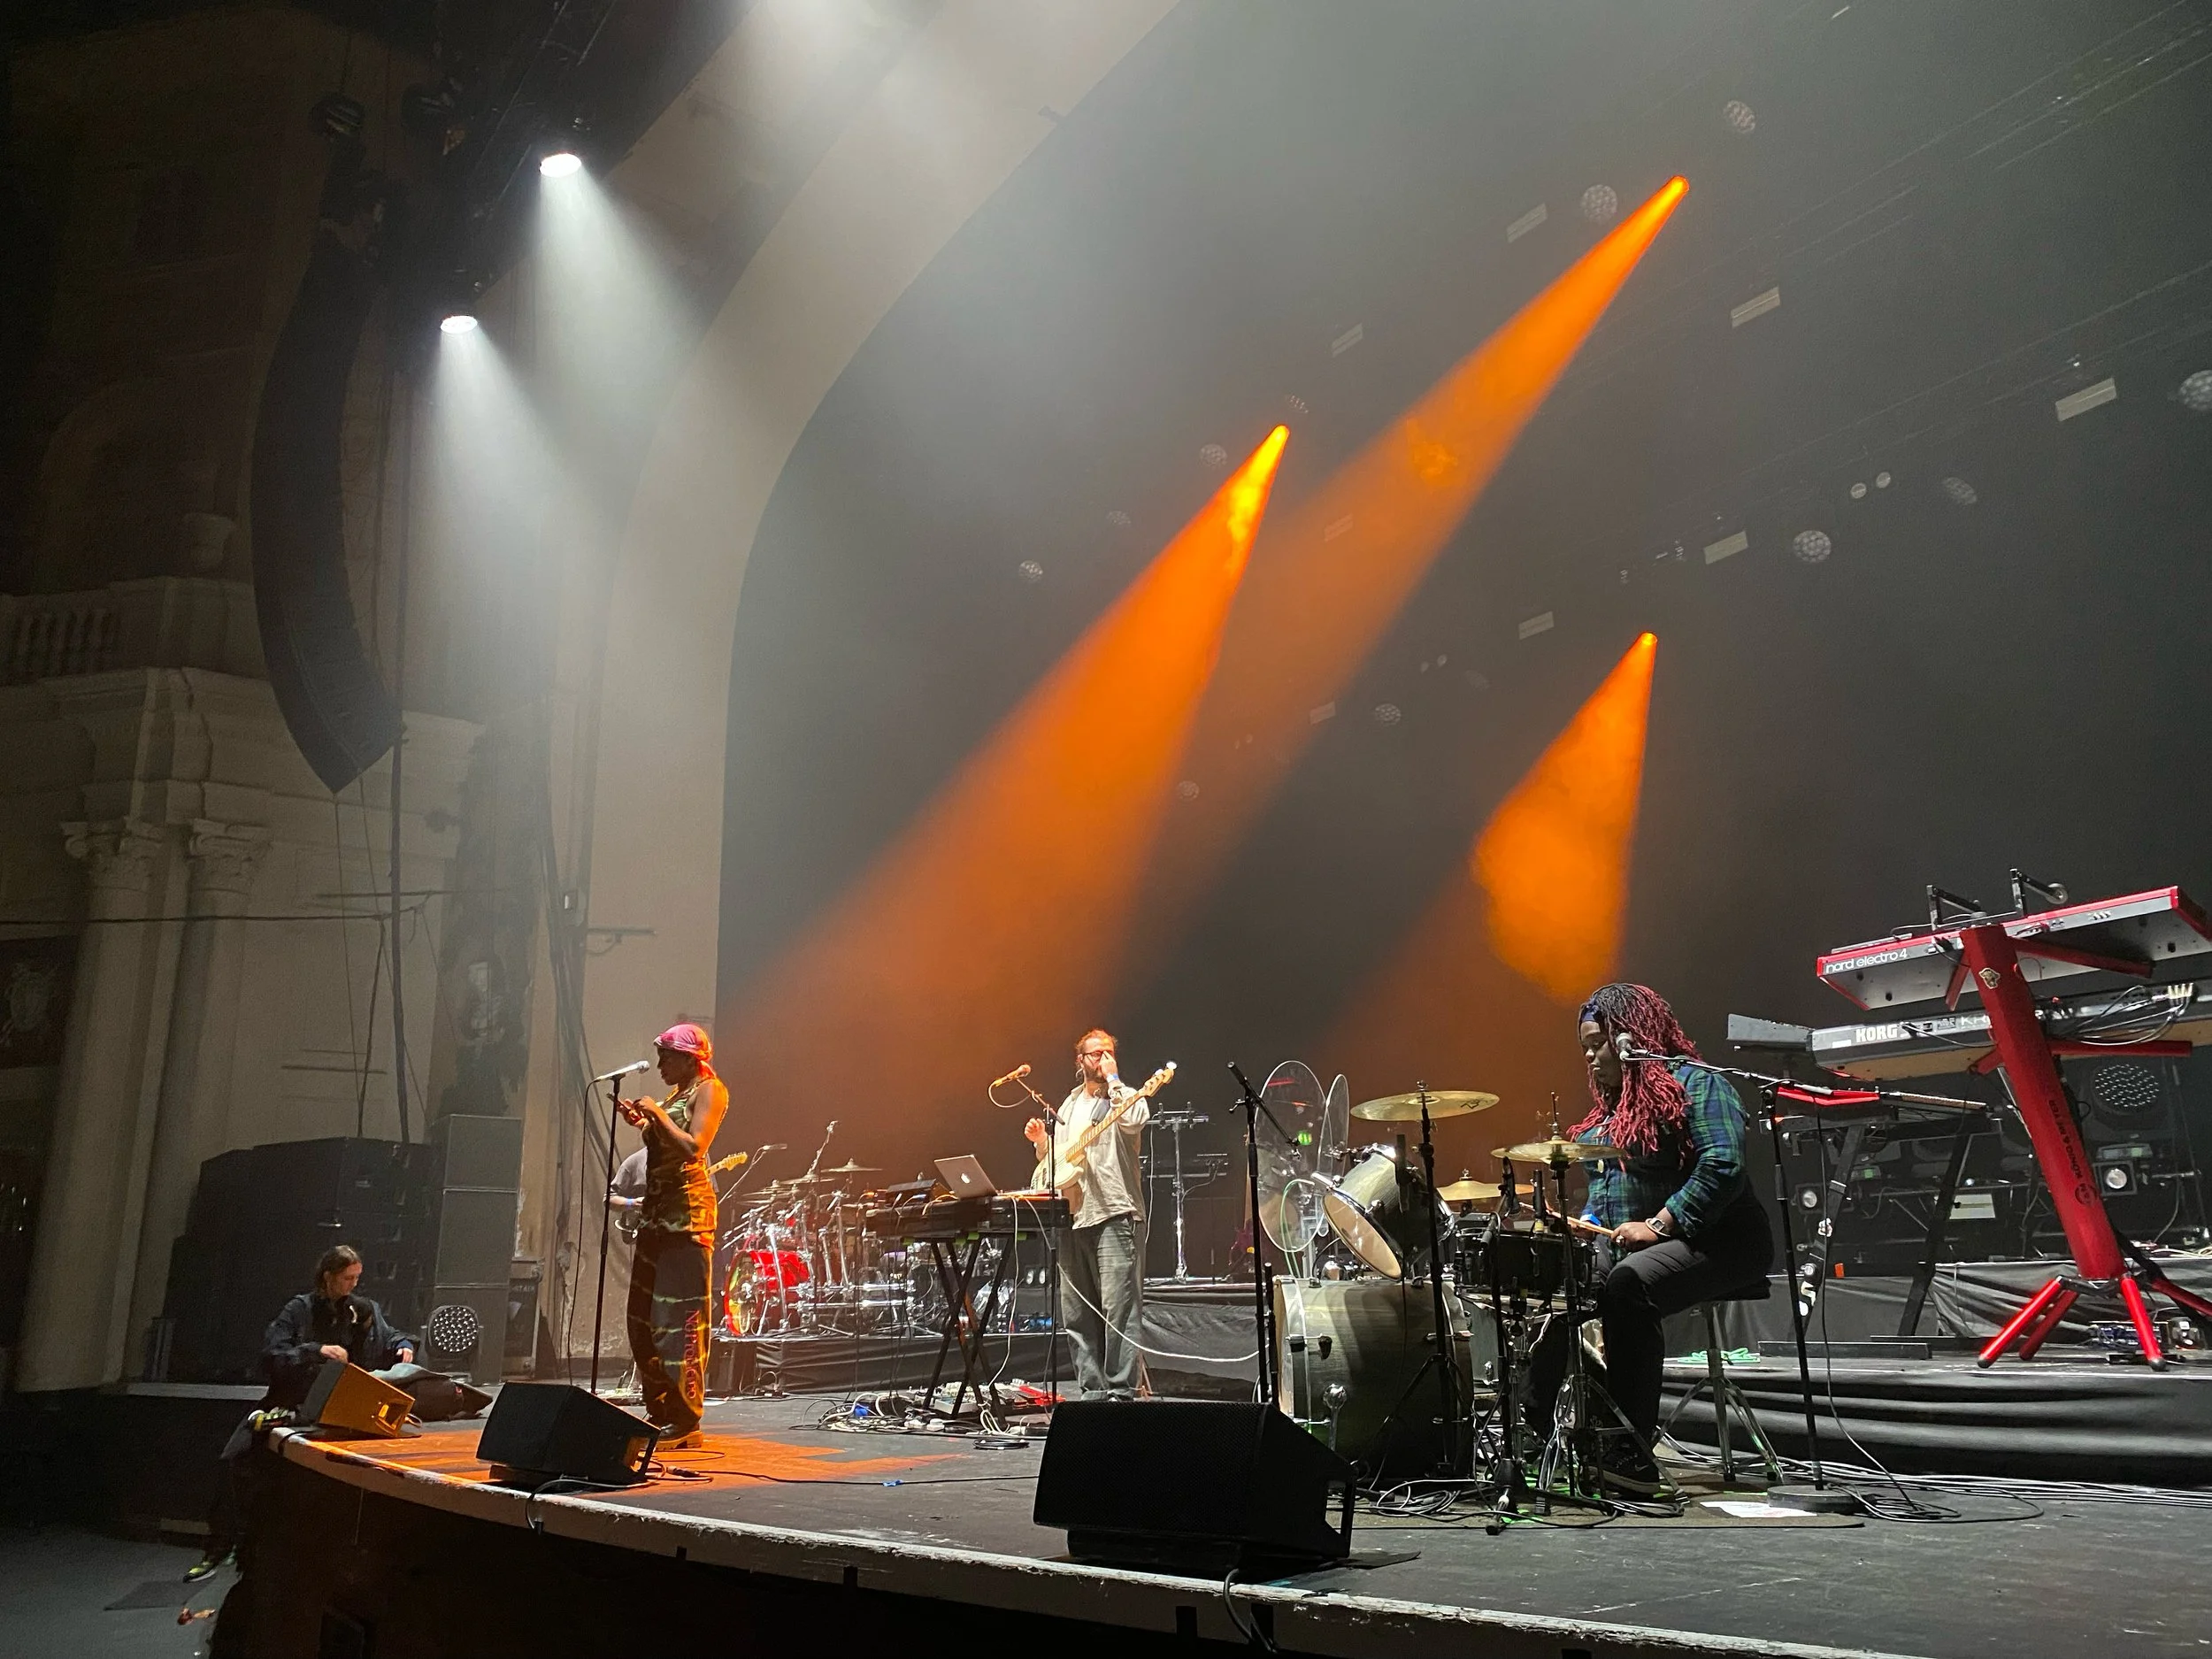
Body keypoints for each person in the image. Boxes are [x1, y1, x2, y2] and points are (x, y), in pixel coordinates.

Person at [1521, 983, 1774, 1496]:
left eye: (1598, 1044)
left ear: (1631, 1036)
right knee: (1554, 1285)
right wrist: (1581, 1224)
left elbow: (1723, 1167)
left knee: (1629, 1283)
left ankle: (1630, 1451)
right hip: (1644, 1250)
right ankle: (1534, 1433)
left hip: (1725, 1240)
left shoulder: (1699, 1085)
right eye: (1584, 1049)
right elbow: (1607, 1206)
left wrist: (1660, 1224)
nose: (1590, 1058)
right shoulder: (1604, 1122)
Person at [188, 1245, 415, 1581]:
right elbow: (271, 1355)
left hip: (340, 1407)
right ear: (328, 1276)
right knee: (236, 1460)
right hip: (291, 1401)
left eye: (357, 1278)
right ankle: (220, 1547)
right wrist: (316, 1351)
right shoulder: (299, 1309)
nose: (353, 1284)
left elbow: (390, 1334)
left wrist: (404, 1345)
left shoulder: (360, 1309)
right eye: (347, 1278)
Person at [1025, 1027, 1148, 1400]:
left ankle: (1121, 1392)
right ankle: (1092, 1392)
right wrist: (1042, 1144)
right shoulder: (1068, 1105)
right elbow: (1060, 1163)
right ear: (1080, 1061)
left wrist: (1114, 1080)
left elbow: (1136, 1118)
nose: (1102, 1059)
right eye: (1095, 1054)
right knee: (1078, 1311)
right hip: (1074, 1215)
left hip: (1112, 1211)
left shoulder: (1122, 1096)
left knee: (1119, 1310)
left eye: (1108, 1052)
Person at [621, 1021, 729, 1448]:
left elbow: (694, 1147)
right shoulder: (676, 1095)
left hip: (687, 1220)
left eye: (667, 1056)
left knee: (677, 1321)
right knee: (642, 1321)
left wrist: (658, 1114)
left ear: (689, 1058)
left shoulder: (710, 1090)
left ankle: (686, 1421)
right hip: (656, 1218)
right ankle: (661, 1408)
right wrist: (643, 1118)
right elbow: (664, 1144)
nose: (661, 1064)